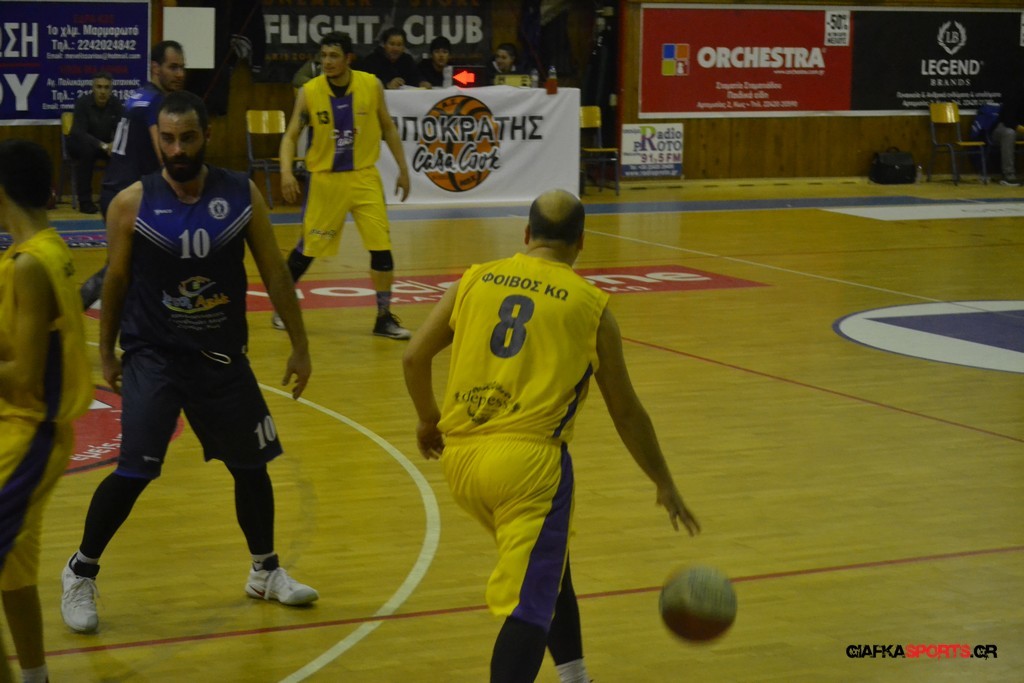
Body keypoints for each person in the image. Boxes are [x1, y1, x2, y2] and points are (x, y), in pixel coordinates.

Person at [402, 189, 700, 683]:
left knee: (548, 566)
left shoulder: (473, 280)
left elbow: (413, 358)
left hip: (462, 461)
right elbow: (626, 412)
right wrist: (663, 481)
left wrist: (427, 420)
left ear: (526, 234)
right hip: (529, 468)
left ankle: (575, 675)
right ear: (582, 241)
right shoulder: (591, 306)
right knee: (529, 606)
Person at [59, 91, 316, 636]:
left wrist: (300, 344)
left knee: (251, 467)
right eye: (169, 139)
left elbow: (275, 271)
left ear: (207, 135)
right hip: (154, 356)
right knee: (135, 470)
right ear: (157, 138)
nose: (178, 149)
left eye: (188, 138)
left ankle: (264, 571)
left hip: (221, 357)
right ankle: (79, 570)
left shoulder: (241, 192)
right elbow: (115, 282)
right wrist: (106, 353)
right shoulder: (131, 203)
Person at [0, 140, 92, 683]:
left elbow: (22, 377)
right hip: (24, 433)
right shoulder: (46, 247)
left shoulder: (30, 264)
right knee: (13, 575)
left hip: (28, 437)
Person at [276, 31, 412, 340]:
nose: (327, 62)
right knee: (308, 250)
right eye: (323, 56)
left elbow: (388, 128)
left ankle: (383, 318)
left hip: (364, 178)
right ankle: (282, 306)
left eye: (333, 56)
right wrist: (286, 173)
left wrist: (403, 170)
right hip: (326, 181)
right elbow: (291, 136)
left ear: (348, 58)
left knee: (381, 248)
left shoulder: (371, 85)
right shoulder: (310, 91)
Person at [78, 40, 187, 310]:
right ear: (155, 68)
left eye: (182, 68)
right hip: (129, 197)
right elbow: (164, 154)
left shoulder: (138, 96)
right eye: (173, 67)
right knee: (126, 267)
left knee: (126, 267)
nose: (180, 74)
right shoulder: (157, 103)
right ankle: (66, 311)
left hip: (114, 191)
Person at [68, 71, 123, 214]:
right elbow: (79, 132)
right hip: (80, 144)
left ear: (111, 89)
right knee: (87, 151)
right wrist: (103, 145)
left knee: (120, 153)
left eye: (106, 87)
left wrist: (114, 144)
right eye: (99, 87)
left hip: (104, 145)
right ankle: (85, 201)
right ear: (93, 88)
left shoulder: (116, 104)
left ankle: (113, 198)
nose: (102, 91)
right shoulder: (83, 103)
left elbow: (121, 129)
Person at [356, 27, 425, 89]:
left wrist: (421, 82)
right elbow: (365, 83)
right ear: (384, 45)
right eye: (392, 44)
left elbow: (416, 77)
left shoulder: (407, 60)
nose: (395, 49)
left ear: (404, 47)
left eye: (399, 45)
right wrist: (387, 85)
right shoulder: (372, 60)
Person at [994, 75, 1024, 186]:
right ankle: (1008, 175)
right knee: (1009, 133)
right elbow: (1009, 121)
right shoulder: (1015, 95)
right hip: (1004, 129)